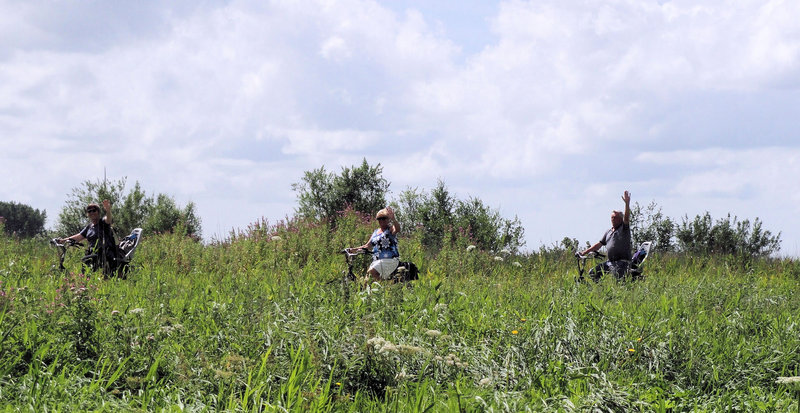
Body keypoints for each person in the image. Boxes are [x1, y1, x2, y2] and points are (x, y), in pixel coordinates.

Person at [579, 191, 632, 281]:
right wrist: (584, 252)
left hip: (622, 262)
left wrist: (627, 203)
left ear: (620, 219)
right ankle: (599, 291)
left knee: (618, 280)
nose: (613, 220)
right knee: (593, 272)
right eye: (612, 218)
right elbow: (599, 245)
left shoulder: (624, 228)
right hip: (610, 262)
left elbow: (627, 217)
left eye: (615, 218)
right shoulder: (608, 232)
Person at [59, 199, 119, 276]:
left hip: (105, 254)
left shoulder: (103, 223)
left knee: (86, 262)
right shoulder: (89, 227)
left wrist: (108, 210)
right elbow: (78, 237)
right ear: (87, 214)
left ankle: (84, 282)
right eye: (89, 211)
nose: (91, 213)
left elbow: (108, 219)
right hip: (93, 255)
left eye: (94, 210)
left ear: (98, 212)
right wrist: (63, 240)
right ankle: (85, 282)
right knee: (86, 263)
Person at [348, 207, 401, 283]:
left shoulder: (390, 229)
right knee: (366, 281)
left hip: (389, 260)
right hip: (377, 261)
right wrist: (353, 249)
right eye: (379, 219)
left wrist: (394, 219)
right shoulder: (375, 232)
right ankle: (380, 290)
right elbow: (367, 246)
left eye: (384, 218)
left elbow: (397, 229)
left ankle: (386, 289)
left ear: (388, 219)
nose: (381, 220)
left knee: (371, 272)